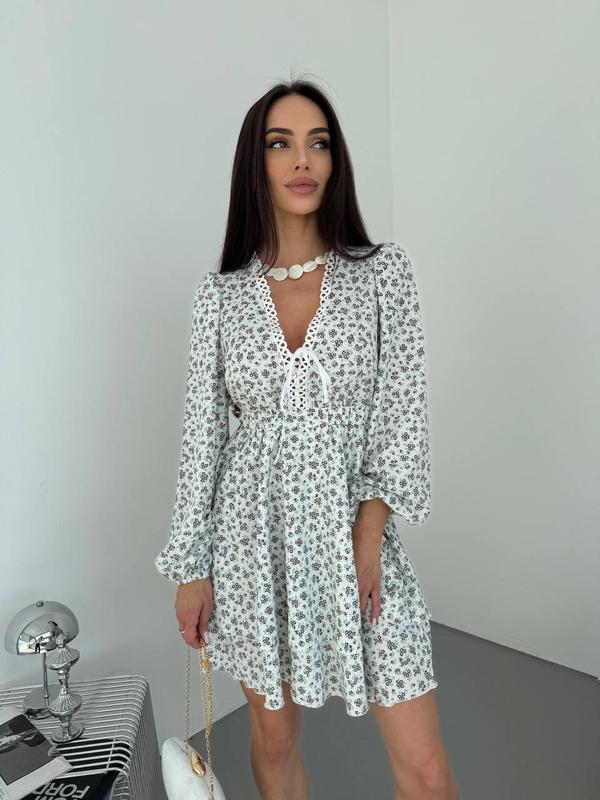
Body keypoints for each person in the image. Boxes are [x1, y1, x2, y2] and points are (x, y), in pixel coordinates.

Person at [155, 78, 460, 800]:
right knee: (275, 738)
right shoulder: (220, 296)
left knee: (425, 770)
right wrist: (191, 568)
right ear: (255, 163)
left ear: (335, 159)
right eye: (281, 143)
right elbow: (202, 439)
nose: (303, 160)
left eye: (318, 143)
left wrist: (368, 535)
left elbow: (402, 413)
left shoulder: (382, 275)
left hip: (357, 539)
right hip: (250, 547)